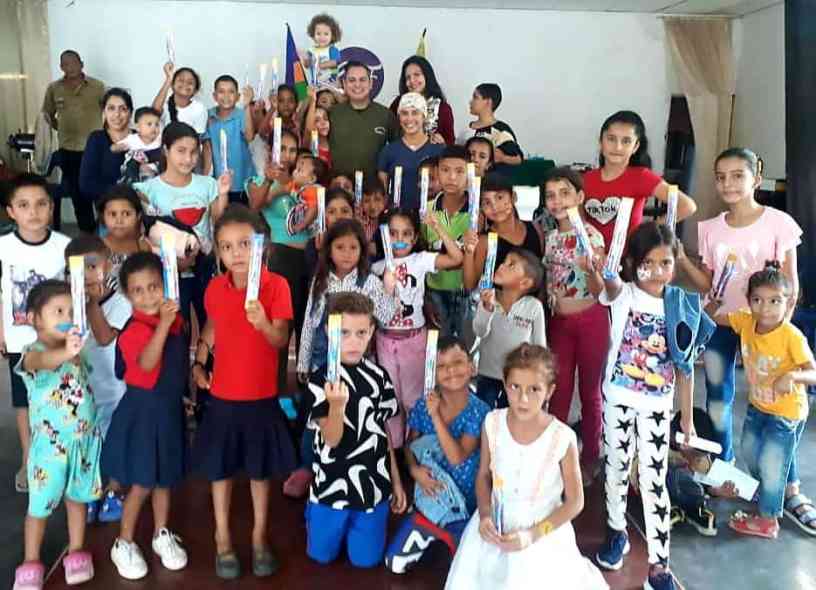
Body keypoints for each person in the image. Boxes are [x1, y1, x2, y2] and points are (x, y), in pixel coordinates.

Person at [590, 222, 714, 590]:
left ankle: (659, 565)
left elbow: (685, 367)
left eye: (666, 263)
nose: (658, 271)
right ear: (633, 263)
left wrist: (687, 420)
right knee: (615, 468)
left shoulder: (682, 304)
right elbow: (608, 285)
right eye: (648, 263)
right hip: (618, 399)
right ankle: (616, 531)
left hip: (657, 406)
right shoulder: (623, 294)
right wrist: (601, 268)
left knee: (653, 480)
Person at [444, 344, 608, 589]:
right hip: (496, 528)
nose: (523, 399)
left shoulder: (562, 438)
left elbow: (575, 502)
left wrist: (533, 535)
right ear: (504, 383)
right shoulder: (493, 423)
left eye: (534, 389)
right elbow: (483, 476)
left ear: (550, 391)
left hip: (543, 534)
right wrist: (485, 514)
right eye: (515, 387)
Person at [192, 205, 296, 579]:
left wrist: (263, 323)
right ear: (218, 252)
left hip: (261, 397)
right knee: (219, 471)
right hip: (222, 395)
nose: (236, 253)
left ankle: (258, 537)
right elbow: (213, 327)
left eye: (244, 244)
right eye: (226, 246)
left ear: (262, 246)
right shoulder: (215, 288)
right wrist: (199, 361)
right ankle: (222, 537)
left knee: (259, 471)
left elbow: (280, 339)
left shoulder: (276, 286)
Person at [679, 147, 803, 462]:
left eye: (737, 176)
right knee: (718, 398)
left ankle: (785, 478)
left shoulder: (780, 223)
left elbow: (790, 282)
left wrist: (780, 328)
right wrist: (682, 259)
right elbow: (707, 284)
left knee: (772, 399)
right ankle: (725, 464)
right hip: (720, 323)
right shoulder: (709, 227)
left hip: (763, 329)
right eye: (721, 177)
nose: (728, 184)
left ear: (756, 178)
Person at [285, 220, 397, 498]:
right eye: (340, 247)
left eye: (353, 248)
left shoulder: (369, 282)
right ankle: (307, 467)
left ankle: (346, 465)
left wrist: (390, 289)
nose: (347, 253)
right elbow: (310, 321)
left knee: (352, 414)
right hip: (322, 362)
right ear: (329, 250)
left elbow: (385, 317)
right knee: (315, 416)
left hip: (357, 365)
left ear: (362, 250)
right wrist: (303, 362)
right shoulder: (321, 281)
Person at [706, 262, 816, 538]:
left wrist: (792, 376)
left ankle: (768, 520)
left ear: (788, 302)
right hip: (758, 407)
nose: (765, 308)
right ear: (749, 301)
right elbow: (714, 317)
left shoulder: (791, 336)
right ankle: (769, 493)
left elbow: (812, 372)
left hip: (787, 413)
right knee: (749, 452)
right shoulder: (746, 321)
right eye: (758, 300)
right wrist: (712, 303)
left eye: (774, 301)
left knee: (772, 463)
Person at [305, 292, 408, 567]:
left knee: (366, 561)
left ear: (371, 331)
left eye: (361, 333)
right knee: (321, 556)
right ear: (329, 331)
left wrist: (396, 481)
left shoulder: (379, 377)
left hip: (372, 490)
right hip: (330, 490)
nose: (353, 341)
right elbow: (332, 439)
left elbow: (382, 433)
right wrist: (337, 406)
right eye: (344, 333)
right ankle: (313, 514)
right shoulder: (319, 381)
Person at [11, 281, 103, 590]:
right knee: (39, 506)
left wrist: (73, 351)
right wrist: (66, 351)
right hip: (49, 450)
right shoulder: (32, 354)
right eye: (58, 311)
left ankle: (76, 551)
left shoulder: (76, 350)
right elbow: (45, 362)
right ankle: (30, 561)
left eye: (72, 311)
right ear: (34, 318)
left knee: (77, 500)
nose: (67, 317)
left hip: (82, 443)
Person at [103, 253, 187, 580]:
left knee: (164, 478)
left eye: (154, 287)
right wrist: (163, 325)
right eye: (138, 290)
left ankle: (161, 533)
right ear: (127, 295)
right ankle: (123, 542)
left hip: (167, 412)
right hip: (142, 415)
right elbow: (148, 365)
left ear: (165, 285)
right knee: (141, 483)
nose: (148, 296)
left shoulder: (174, 321)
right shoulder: (134, 330)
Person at [384, 336, 490, 574]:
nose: (451, 370)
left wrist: (435, 416)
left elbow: (457, 458)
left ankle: (453, 533)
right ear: (432, 372)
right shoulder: (423, 405)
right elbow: (410, 446)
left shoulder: (480, 411)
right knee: (394, 564)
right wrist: (413, 470)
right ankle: (428, 523)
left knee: (465, 574)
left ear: (472, 367)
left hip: (464, 505)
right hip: (430, 498)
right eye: (441, 366)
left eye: (458, 362)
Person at [0, 174, 71, 495]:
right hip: (19, 339)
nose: (33, 212)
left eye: (41, 204)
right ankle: (29, 458)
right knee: (24, 401)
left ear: (52, 208)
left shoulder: (63, 246)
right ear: (11, 211)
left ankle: (59, 457)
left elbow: (72, 293)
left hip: (55, 341)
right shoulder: (3, 247)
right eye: (24, 205)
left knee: (56, 397)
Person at [373, 209, 463, 447]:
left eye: (406, 234)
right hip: (385, 341)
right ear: (384, 236)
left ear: (414, 238)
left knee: (415, 400)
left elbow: (456, 258)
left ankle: (414, 451)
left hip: (414, 341)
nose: (399, 239)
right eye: (393, 233)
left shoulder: (420, 259)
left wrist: (437, 227)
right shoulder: (376, 268)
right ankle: (395, 451)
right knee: (391, 400)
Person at [541, 168, 607, 484]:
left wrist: (592, 268)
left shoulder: (593, 238)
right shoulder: (549, 237)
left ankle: (592, 455)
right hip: (559, 324)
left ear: (580, 197)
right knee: (559, 390)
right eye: (551, 195)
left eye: (565, 193)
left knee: (591, 391)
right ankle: (554, 455)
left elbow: (599, 290)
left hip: (591, 321)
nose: (557, 201)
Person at [135, 121, 230, 328]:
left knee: (213, 325)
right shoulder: (147, 190)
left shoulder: (208, 184)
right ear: (165, 150)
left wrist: (222, 194)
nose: (188, 159)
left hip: (204, 269)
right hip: (168, 274)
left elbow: (218, 222)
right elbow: (144, 235)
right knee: (177, 330)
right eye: (181, 151)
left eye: (193, 152)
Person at [64, 236, 132, 524]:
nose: (88, 275)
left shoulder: (121, 301)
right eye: (79, 270)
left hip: (114, 389)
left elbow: (104, 337)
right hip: (82, 390)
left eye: (93, 266)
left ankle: (115, 490)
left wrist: (91, 302)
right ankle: (92, 491)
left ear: (109, 264)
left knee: (116, 442)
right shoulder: (67, 302)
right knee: (88, 444)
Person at [247, 129, 309, 393]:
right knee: (281, 324)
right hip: (281, 258)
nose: (287, 155)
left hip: (309, 258)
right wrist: (277, 185)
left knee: (306, 326)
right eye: (282, 148)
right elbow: (255, 205)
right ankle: (277, 391)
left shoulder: (306, 179)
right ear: (271, 150)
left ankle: (305, 395)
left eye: (292, 150)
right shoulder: (260, 179)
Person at [582, 110, 696, 251]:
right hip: (592, 258)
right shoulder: (586, 178)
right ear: (600, 142)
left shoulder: (642, 176)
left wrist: (650, 231)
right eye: (611, 139)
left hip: (630, 258)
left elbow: (687, 206)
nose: (617, 147)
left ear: (635, 146)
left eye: (626, 141)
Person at [42, 49, 106, 232]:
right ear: (61, 67)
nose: (70, 67)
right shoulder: (54, 88)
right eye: (66, 64)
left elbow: (109, 111)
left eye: (74, 63)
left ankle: (105, 231)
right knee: (78, 194)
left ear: (81, 64)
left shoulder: (98, 86)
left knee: (100, 193)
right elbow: (47, 115)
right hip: (68, 150)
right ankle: (87, 233)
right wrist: (61, 129)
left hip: (95, 149)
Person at [473, 249, 546, 409]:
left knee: (511, 415)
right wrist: (487, 308)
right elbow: (479, 331)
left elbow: (540, 348)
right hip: (487, 374)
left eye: (511, 265)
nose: (501, 265)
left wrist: (536, 379)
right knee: (484, 415)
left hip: (518, 378)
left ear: (525, 283)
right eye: (504, 261)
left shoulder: (534, 307)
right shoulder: (488, 297)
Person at [421, 146, 471, 339]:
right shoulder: (427, 210)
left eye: (459, 171)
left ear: (469, 174)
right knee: (439, 344)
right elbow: (422, 249)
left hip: (465, 292)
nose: (452, 177)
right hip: (434, 291)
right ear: (437, 172)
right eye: (445, 170)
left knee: (465, 346)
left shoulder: (477, 212)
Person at [462, 174, 544, 291]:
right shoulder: (484, 242)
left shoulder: (535, 228)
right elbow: (470, 285)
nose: (495, 207)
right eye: (487, 202)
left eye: (500, 198)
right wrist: (468, 252)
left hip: (535, 301)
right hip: (499, 302)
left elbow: (542, 270)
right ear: (481, 208)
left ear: (513, 197)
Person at [329, 61, 398, 181]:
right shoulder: (332, 114)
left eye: (362, 80)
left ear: (371, 83)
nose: (357, 85)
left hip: (373, 188)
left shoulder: (385, 115)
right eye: (352, 80)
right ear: (344, 84)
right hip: (339, 187)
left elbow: (399, 149)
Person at [378, 93, 445, 210]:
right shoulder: (389, 151)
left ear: (424, 116)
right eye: (404, 113)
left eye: (415, 113)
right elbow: (382, 192)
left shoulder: (438, 149)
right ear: (399, 117)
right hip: (398, 216)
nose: (409, 119)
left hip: (432, 216)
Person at [79, 88, 133, 220]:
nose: (117, 114)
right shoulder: (97, 139)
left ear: (130, 113)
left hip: (140, 212)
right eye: (111, 108)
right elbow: (86, 184)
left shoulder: (141, 139)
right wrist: (124, 194)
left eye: (123, 109)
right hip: (109, 214)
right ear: (104, 113)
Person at [202, 75, 256, 204]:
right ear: (214, 96)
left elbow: (249, 137)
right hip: (218, 180)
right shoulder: (208, 116)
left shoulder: (242, 114)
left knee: (240, 213)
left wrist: (247, 106)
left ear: (238, 96)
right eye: (221, 91)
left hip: (242, 180)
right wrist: (204, 178)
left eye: (231, 92)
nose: (226, 96)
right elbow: (207, 148)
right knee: (220, 213)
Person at [389, 55, 455, 145]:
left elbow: (450, 143)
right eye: (408, 77)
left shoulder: (443, 109)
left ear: (427, 76)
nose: (412, 81)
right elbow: (388, 132)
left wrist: (442, 142)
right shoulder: (398, 103)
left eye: (417, 75)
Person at [461, 84, 523, 177]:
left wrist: (502, 158)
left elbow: (518, 158)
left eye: (475, 97)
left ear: (488, 102)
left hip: (490, 181)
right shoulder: (466, 130)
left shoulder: (501, 130)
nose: (471, 102)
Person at [96, 185, 152, 285]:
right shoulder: (97, 249)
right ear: (103, 216)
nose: (119, 221)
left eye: (126, 214)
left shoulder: (144, 246)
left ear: (138, 216)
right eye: (113, 214)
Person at [304, 188, 355, 279]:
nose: (339, 217)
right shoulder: (314, 245)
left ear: (353, 214)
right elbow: (315, 281)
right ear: (324, 217)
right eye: (331, 212)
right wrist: (322, 252)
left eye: (344, 211)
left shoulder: (360, 241)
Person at [152, 63, 207, 135]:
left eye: (190, 82)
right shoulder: (163, 104)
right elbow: (153, 112)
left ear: (195, 90)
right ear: (172, 85)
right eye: (181, 80)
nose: (185, 84)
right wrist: (169, 79)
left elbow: (198, 136)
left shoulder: (199, 108)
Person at [111, 107, 162, 184]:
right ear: (138, 127)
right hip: (132, 170)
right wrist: (118, 147)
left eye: (157, 124)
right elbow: (113, 147)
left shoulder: (159, 140)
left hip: (153, 172)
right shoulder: (133, 139)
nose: (154, 127)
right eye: (149, 124)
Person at [304, 13, 342, 88]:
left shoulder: (332, 50)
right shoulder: (311, 50)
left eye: (326, 34)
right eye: (318, 34)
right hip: (315, 83)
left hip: (331, 82)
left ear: (332, 35)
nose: (322, 37)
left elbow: (335, 62)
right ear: (313, 35)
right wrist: (305, 59)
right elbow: (307, 65)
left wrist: (320, 65)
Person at [303, 87, 332, 167]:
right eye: (317, 120)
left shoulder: (334, 142)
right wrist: (313, 101)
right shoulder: (310, 141)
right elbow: (309, 128)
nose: (323, 123)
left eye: (325, 118)